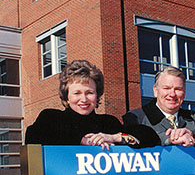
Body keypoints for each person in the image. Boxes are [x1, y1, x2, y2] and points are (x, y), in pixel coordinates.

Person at [25, 60, 160, 148]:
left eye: (89, 92)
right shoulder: (51, 118)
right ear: (66, 97)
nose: (84, 99)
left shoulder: (108, 123)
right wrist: (82, 140)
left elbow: (151, 137)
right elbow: (34, 138)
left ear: (97, 95)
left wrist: (115, 137)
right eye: (76, 93)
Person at [123, 66, 195, 150]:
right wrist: (170, 139)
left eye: (178, 89)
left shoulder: (193, 117)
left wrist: (193, 135)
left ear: (184, 92)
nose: (172, 94)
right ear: (155, 91)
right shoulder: (135, 118)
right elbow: (132, 138)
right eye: (167, 88)